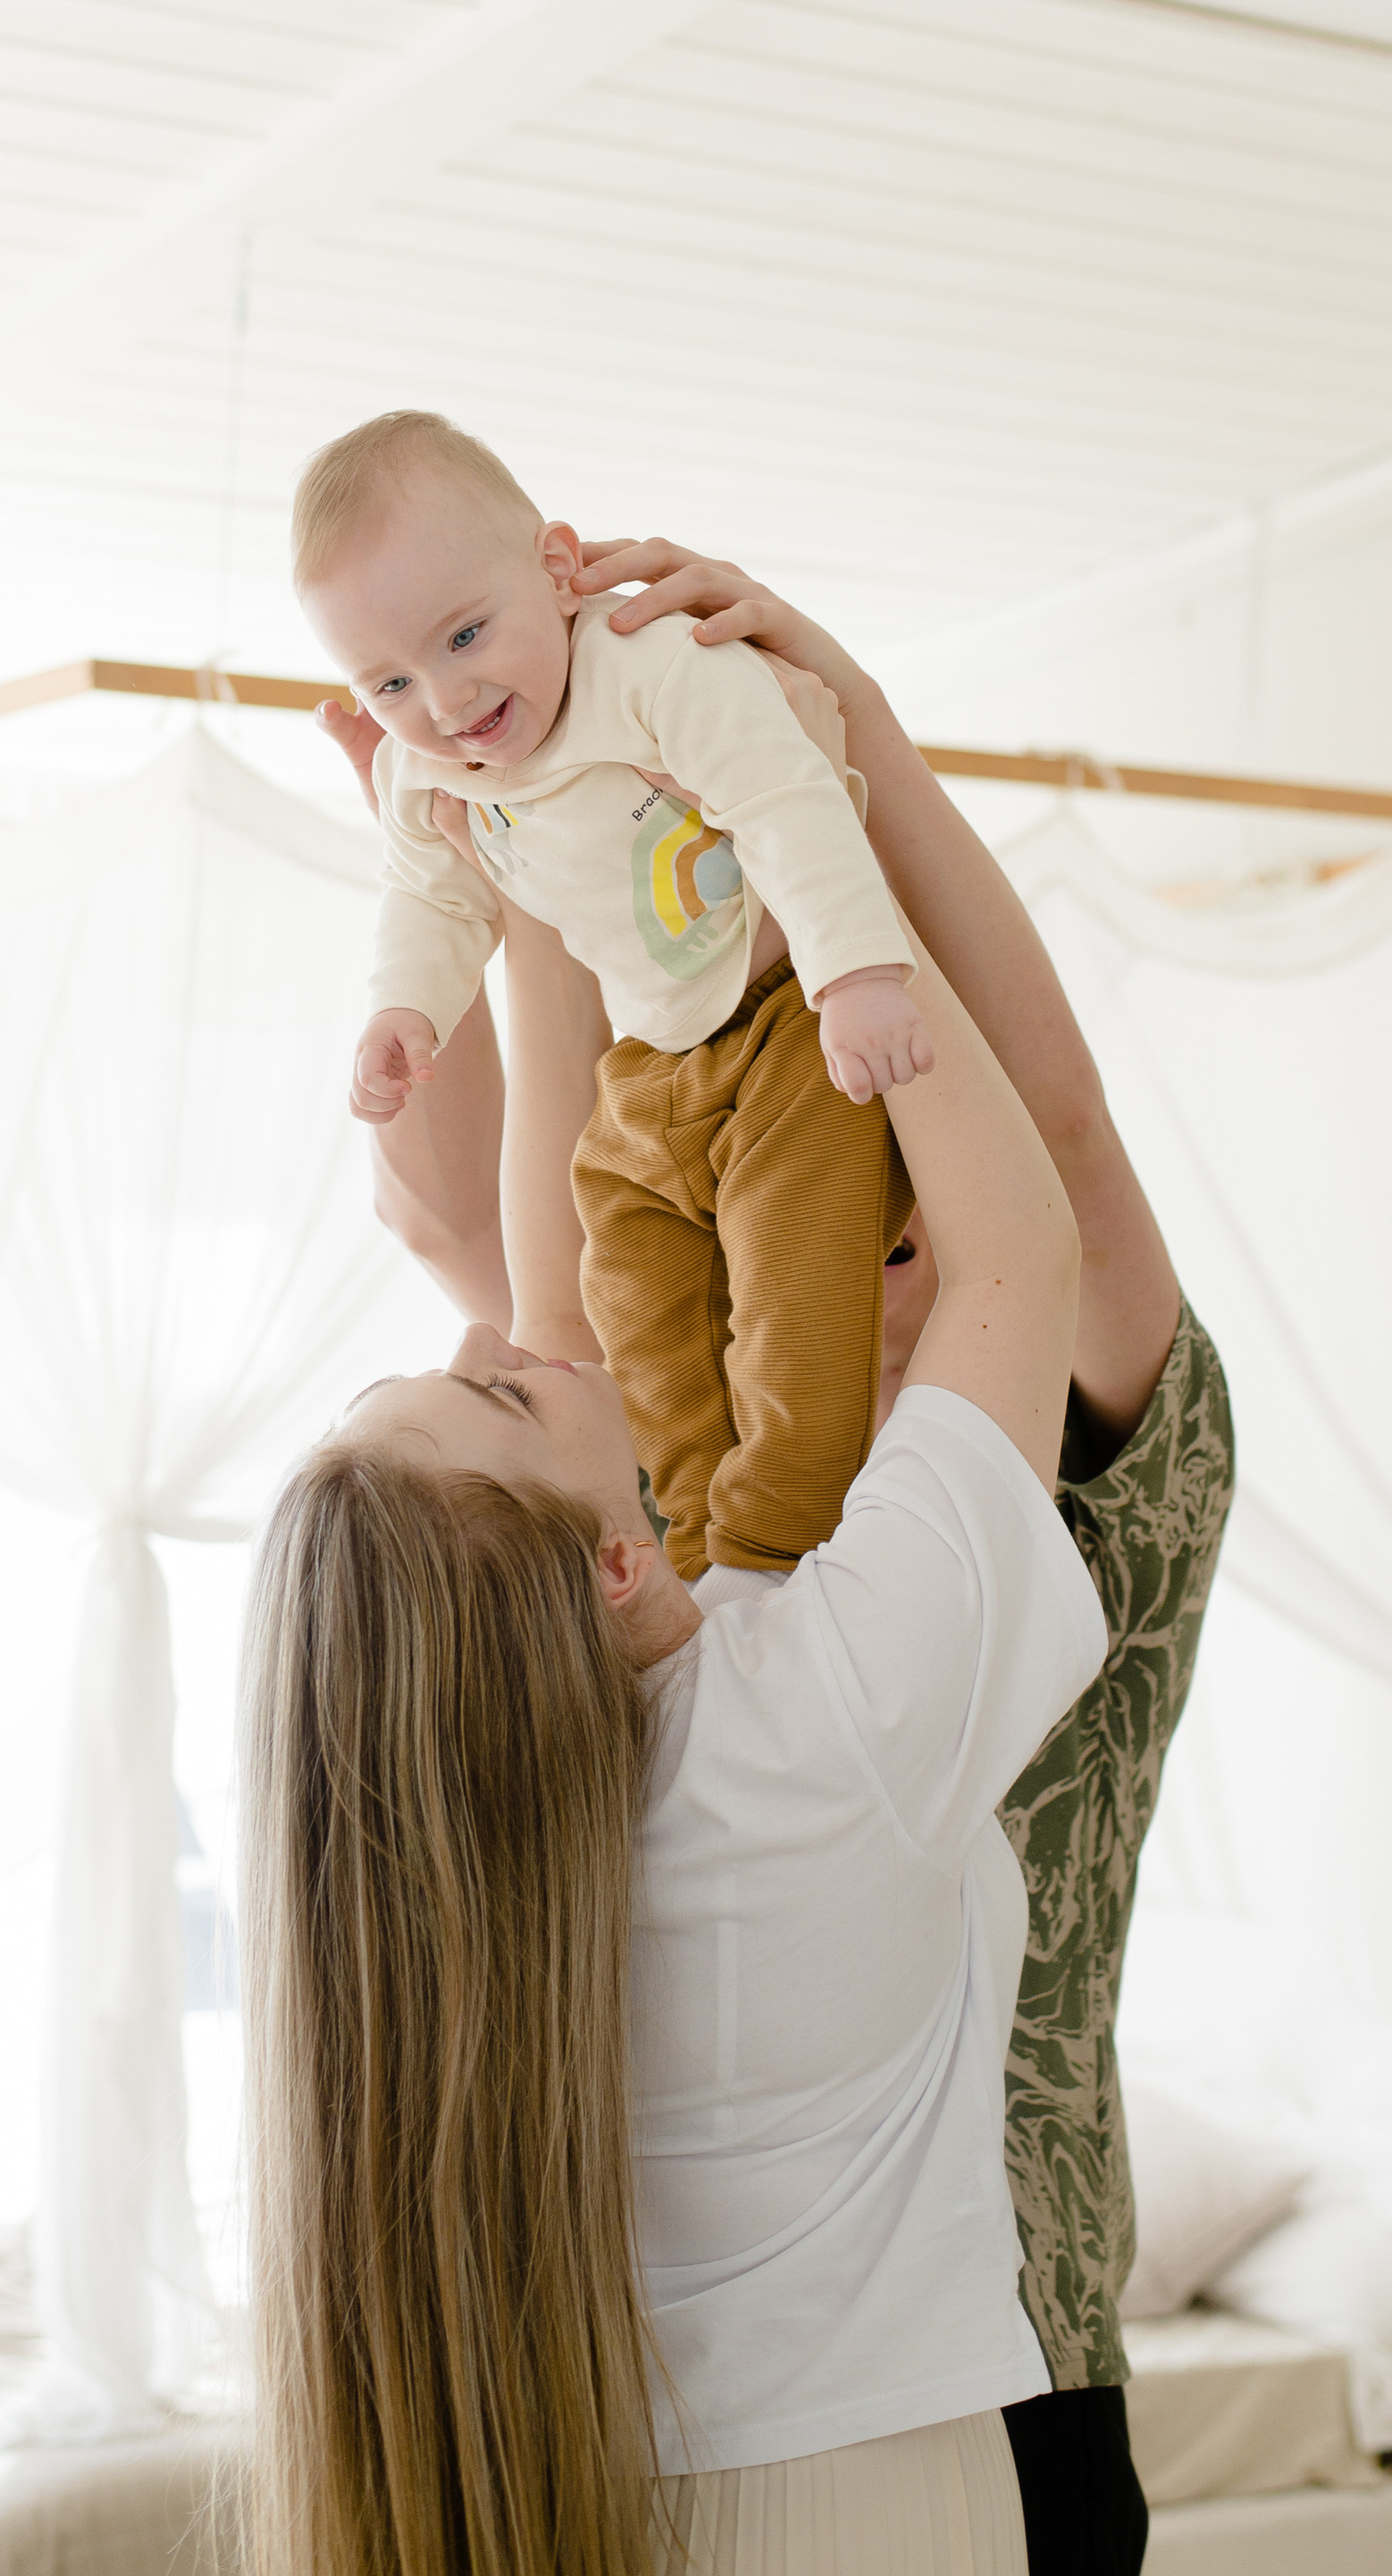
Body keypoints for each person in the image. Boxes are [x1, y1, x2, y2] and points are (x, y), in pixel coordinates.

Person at [329, 542, 1236, 2576]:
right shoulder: (688, 1567)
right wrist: (539, 785)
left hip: (1006, 2368)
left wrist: (819, 740)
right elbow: (578, 1193)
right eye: (808, 1261)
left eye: (882, 1240)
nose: (861, 1289)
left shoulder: (1079, 1487)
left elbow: (1057, 1161)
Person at [239, 852, 1104, 2573]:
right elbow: (1022, 1243)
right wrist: (827, 845)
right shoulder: (824, 1724)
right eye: (493, 1383)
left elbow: (561, 1299)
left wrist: (535, 851)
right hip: (879, 2516)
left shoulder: (455, 1898)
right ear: (617, 1573)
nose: (514, 1333)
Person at [291, 408, 927, 1581]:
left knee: (792, 1289)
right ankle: (694, 1534)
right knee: (628, 1282)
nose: (443, 697)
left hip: (783, 1013)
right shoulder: (433, 766)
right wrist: (405, 1013)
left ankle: (775, 1539)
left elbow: (793, 796)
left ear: (557, 565)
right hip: (656, 1055)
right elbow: (431, 904)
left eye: (467, 633)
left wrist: (858, 977)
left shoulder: (650, 670)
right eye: (388, 680)